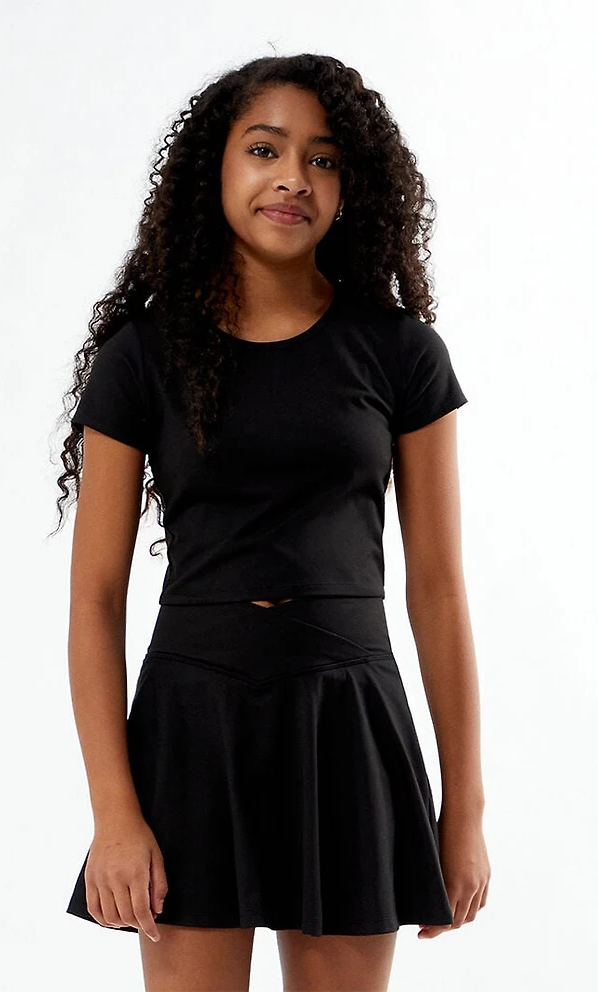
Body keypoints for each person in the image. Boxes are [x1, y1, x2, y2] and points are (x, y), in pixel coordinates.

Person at [53, 53, 490, 992]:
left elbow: (439, 590)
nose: (293, 178)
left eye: (323, 159)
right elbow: (94, 600)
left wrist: (465, 813)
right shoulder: (142, 358)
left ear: (352, 187)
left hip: (351, 726)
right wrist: (114, 813)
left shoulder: (402, 353)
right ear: (215, 166)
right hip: (191, 727)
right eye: (265, 150)